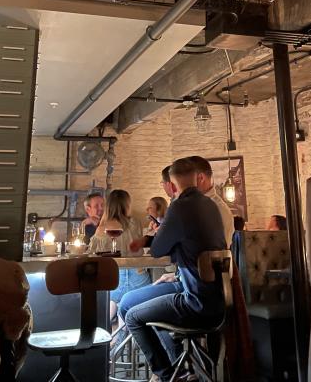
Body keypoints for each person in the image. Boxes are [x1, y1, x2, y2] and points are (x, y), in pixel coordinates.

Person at [120, 158, 227, 382]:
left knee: (131, 316)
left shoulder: (179, 206)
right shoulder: (211, 205)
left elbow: (159, 250)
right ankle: (181, 366)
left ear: (173, 184)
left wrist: (152, 241)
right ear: (196, 178)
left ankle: (169, 376)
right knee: (142, 305)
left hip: (195, 301)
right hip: (217, 299)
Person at [88, 189, 151, 320]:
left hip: (113, 278)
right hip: (138, 276)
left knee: (109, 314)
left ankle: (111, 336)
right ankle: (126, 337)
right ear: (127, 205)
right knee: (131, 317)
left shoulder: (102, 227)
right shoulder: (135, 223)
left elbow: (91, 253)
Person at [189, 155, 234, 247]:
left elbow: (215, 251)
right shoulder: (199, 204)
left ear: (201, 178)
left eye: (186, 179)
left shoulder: (216, 208)